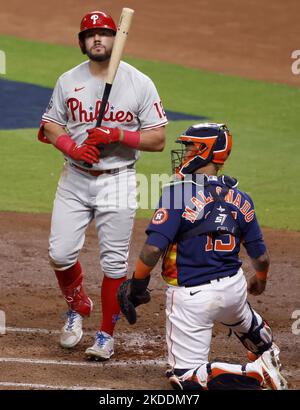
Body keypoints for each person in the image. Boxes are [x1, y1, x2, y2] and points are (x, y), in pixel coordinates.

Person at [37, 10, 168, 360]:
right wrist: (73, 147)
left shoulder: (139, 82)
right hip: (75, 178)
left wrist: (117, 134)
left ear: (116, 39)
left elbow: (157, 139)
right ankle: (77, 303)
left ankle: (105, 336)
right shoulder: (68, 80)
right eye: (90, 34)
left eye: (105, 33)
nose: (98, 38)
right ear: (82, 42)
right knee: (60, 254)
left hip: (119, 179)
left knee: (113, 264)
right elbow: (51, 125)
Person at [119, 123, 288, 389]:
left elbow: (152, 249)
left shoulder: (177, 193)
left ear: (204, 151)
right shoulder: (240, 197)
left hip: (192, 299)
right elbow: (262, 257)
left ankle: (257, 374)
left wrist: (137, 284)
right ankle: (266, 348)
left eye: (188, 147)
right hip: (234, 287)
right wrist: (261, 280)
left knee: (185, 379)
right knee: (239, 315)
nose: (184, 153)